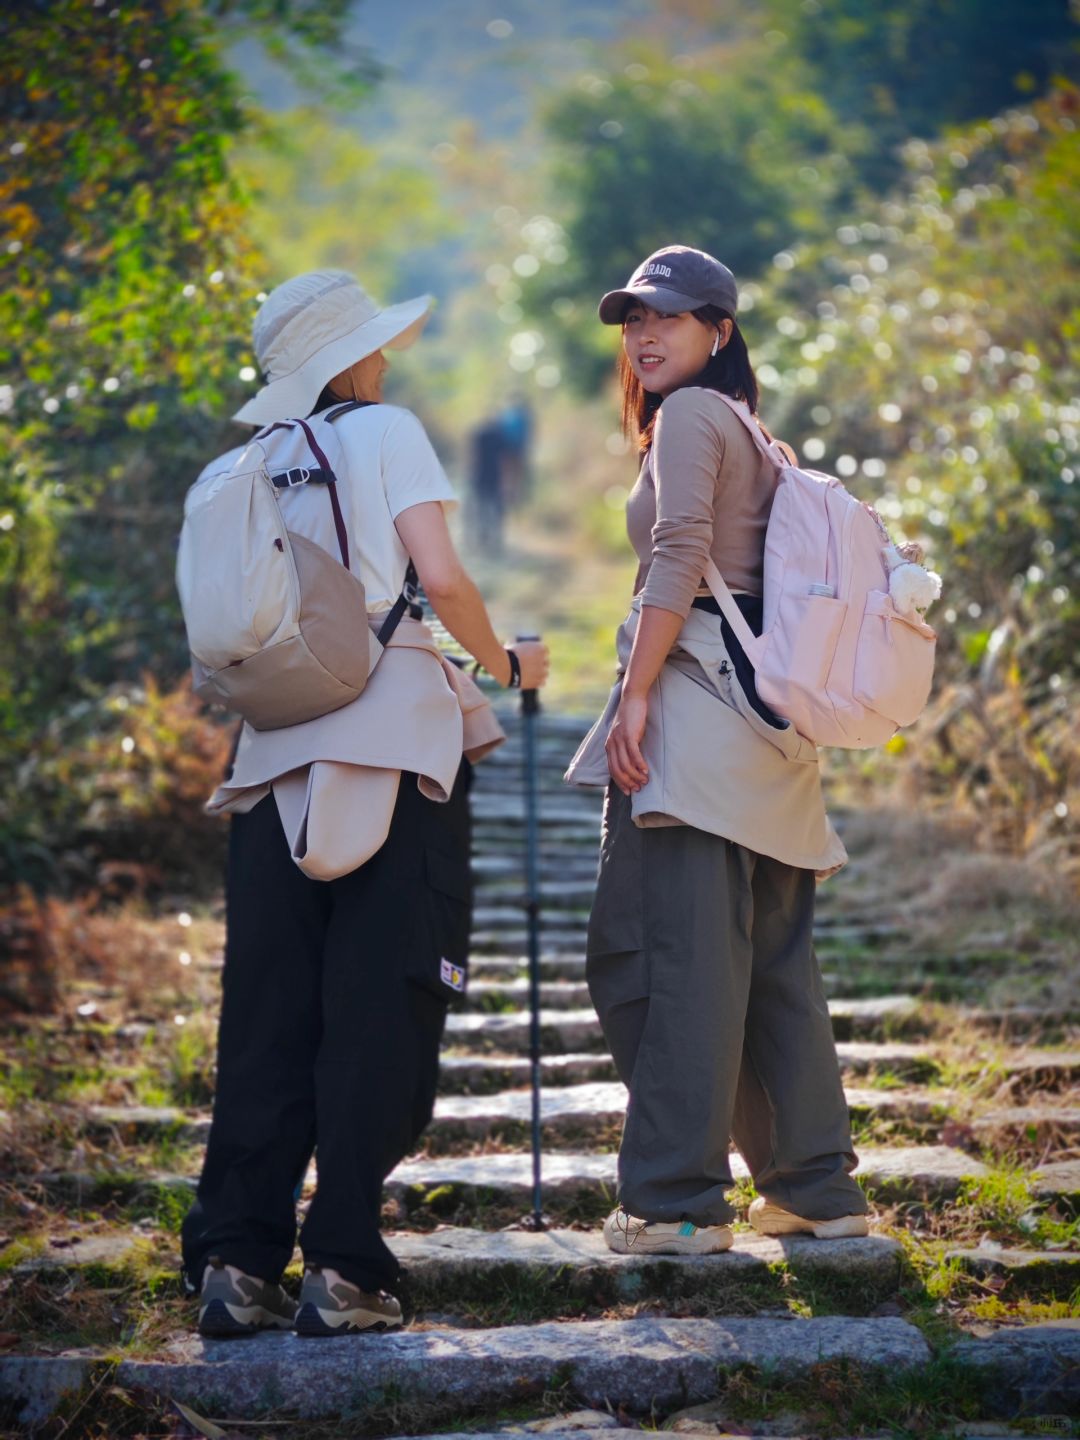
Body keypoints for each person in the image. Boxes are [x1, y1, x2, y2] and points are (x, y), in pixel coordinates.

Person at [180, 269, 549, 1336]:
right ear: (353, 360)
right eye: (376, 347)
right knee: (382, 1008)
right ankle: (343, 1264)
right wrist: (507, 667)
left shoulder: (238, 467)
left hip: (268, 764)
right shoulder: (385, 431)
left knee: (264, 1019)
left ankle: (236, 1263)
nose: (387, 360)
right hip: (394, 759)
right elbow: (440, 579)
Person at [565, 245, 870, 1255]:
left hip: (697, 717)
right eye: (632, 322)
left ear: (720, 331)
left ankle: (677, 1202)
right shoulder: (755, 432)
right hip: (767, 733)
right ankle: (814, 1188)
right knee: (771, 961)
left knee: (662, 959)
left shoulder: (694, 416)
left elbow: (678, 549)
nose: (645, 336)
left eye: (668, 318)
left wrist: (636, 692)